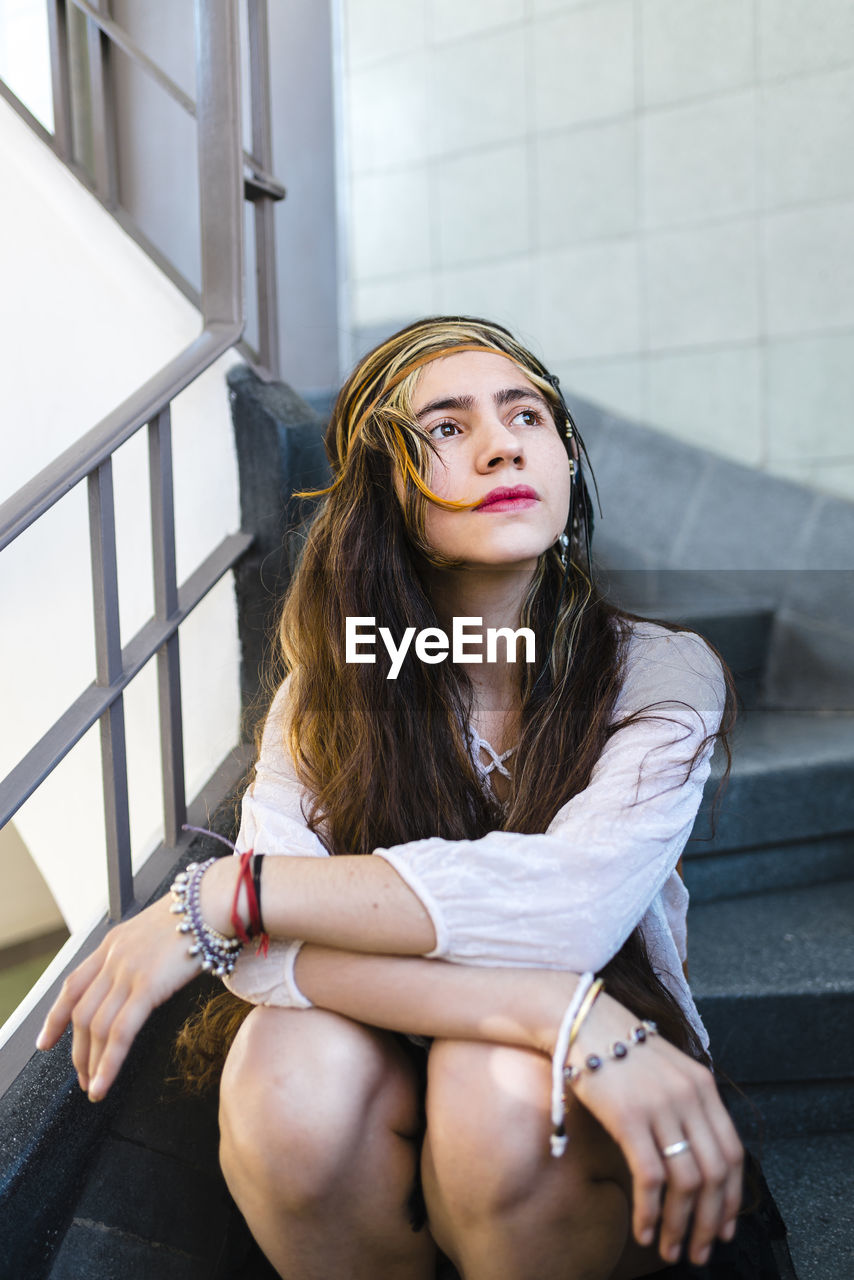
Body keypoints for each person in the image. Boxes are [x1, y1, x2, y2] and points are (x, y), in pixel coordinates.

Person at [38, 317, 787, 1280]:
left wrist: (235, 893)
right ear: (386, 489)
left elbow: (564, 912)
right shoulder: (328, 689)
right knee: (282, 1077)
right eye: (445, 426)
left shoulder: (660, 671)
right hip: (397, 1049)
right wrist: (553, 1010)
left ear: (562, 453)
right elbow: (262, 968)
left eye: (527, 414)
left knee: (495, 1092)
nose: (502, 442)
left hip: (575, 1075)